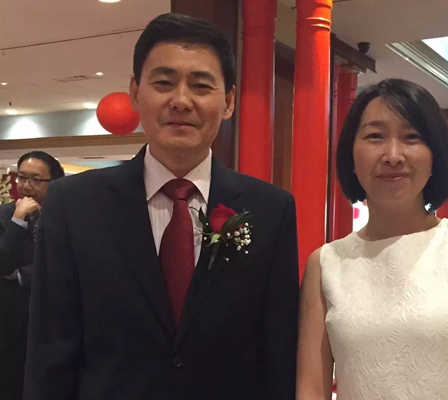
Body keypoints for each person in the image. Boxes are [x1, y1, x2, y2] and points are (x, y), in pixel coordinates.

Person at [24, 13, 299, 400]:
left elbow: (279, 353)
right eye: (164, 83)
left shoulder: (271, 210)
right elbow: (50, 350)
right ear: (136, 92)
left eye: (201, 86)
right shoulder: (73, 204)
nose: (181, 101)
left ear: (228, 101)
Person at [297, 79, 448, 400]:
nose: (393, 155)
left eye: (412, 137)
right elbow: (311, 390)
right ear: (351, 153)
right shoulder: (325, 264)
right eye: (375, 136)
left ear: (435, 154)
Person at [0, 151, 64, 400]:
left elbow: (64, 264)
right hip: (12, 325)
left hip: (55, 318)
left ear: (54, 182)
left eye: (36, 179)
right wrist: (18, 220)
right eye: (22, 178)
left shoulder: (65, 216)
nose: (26, 186)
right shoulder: (5, 215)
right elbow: (3, 264)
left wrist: (23, 274)